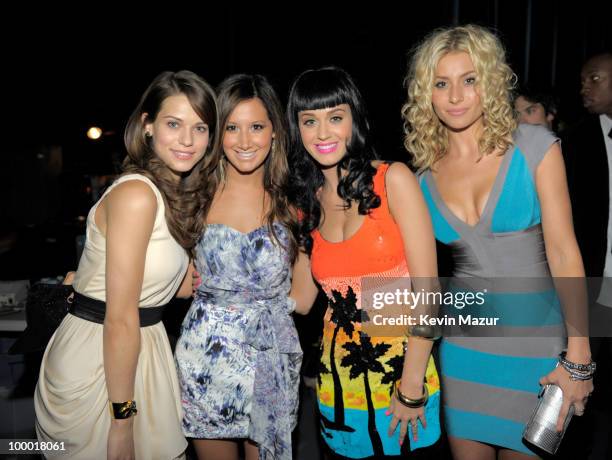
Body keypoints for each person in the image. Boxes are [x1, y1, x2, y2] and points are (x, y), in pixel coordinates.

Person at [402, 25, 594, 459]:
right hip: (464, 352)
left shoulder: (535, 147)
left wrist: (578, 357)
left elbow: (565, 253)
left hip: (540, 353)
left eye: (469, 80)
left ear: (489, 82)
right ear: (425, 94)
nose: (455, 96)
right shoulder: (420, 179)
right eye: (441, 83)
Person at [34, 70, 218, 459]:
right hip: (103, 362)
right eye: (174, 124)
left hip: (142, 352)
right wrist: (123, 421)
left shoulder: (168, 194)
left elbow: (179, 288)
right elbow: (120, 316)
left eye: (200, 128)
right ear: (147, 126)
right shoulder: (138, 194)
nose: (188, 140)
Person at [286, 66, 442, 459]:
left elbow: (429, 293)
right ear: (297, 129)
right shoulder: (306, 202)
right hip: (338, 382)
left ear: (354, 119)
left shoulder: (392, 180)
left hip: (404, 374)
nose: (323, 133)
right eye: (310, 121)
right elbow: (301, 299)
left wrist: (411, 386)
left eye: (335, 118)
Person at [174, 74, 303, 460]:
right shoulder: (192, 194)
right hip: (205, 359)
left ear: (275, 132)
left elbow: (309, 296)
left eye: (257, 127)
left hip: (271, 357)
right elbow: (175, 284)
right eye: (232, 127)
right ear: (218, 134)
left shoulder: (295, 199)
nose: (245, 141)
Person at [563, 51, 612, 460]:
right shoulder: (574, 143)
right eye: (583, 79)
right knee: (583, 394)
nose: (585, 86)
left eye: (594, 78)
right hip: (593, 287)